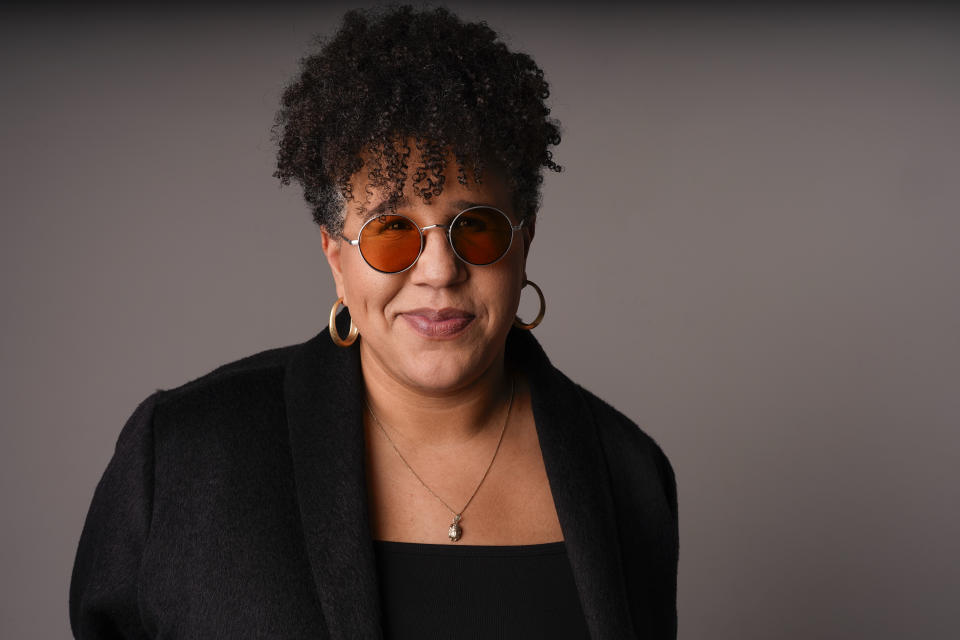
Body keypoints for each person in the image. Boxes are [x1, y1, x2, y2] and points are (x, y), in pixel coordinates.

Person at [69, 5, 678, 639]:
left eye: (475, 227)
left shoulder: (627, 474)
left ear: (524, 244)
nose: (439, 271)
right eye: (392, 231)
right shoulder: (184, 456)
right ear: (337, 257)